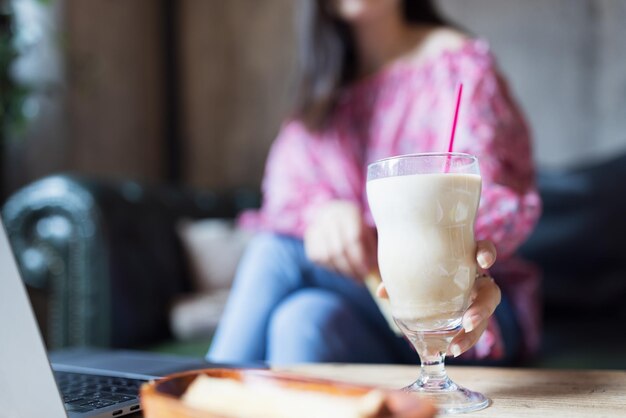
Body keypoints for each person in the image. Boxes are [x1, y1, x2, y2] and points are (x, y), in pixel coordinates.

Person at [207, 0, 541, 365]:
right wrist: (322, 213)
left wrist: (462, 256)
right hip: (377, 306)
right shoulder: (323, 95)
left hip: (469, 306)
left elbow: (493, 194)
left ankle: (191, 394)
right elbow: (285, 192)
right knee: (302, 318)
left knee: (274, 252)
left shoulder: (460, 68)